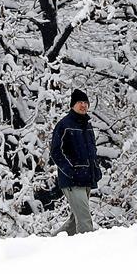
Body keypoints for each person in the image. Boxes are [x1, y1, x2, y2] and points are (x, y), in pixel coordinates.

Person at [50, 89, 102, 236]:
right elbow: (55, 151)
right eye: (80, 102)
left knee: (75, 220)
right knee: (85, 220)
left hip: (86, 178)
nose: (83, 105)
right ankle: (87, 252)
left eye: (86, 102)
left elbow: (92, 151)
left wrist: (96, 169)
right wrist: (70, 170)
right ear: (73, 105)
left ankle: (51, 242)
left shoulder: (87, 125)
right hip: (72, 180)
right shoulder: (64, 125)